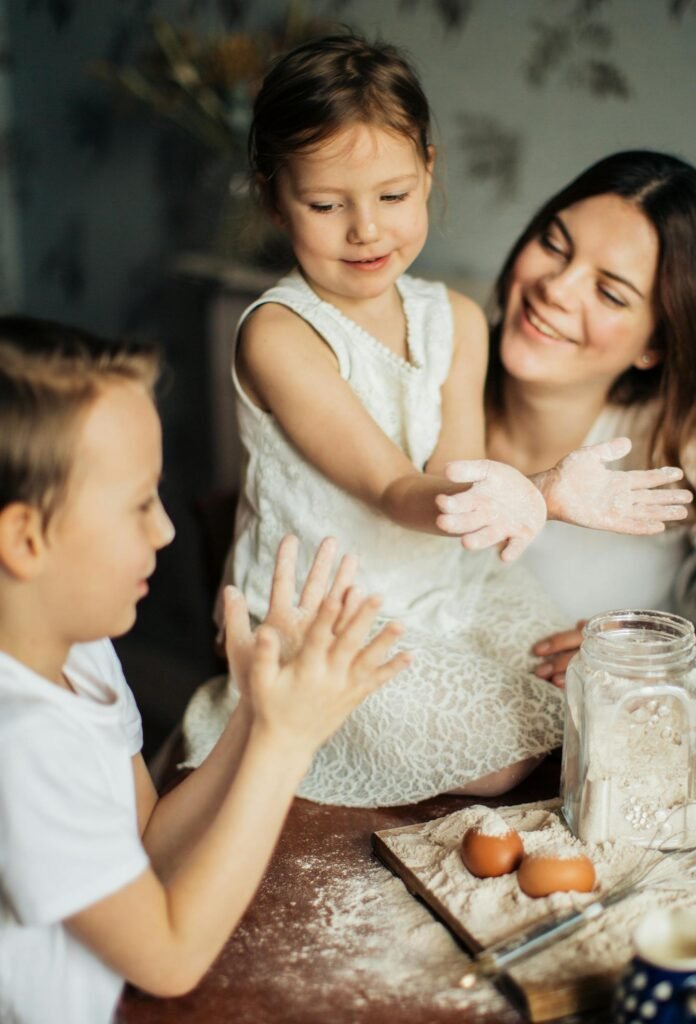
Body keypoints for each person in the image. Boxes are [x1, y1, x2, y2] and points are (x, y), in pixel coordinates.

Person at [180, 36, 691, 807]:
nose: (366, 231)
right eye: (325, 205)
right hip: (327, 613)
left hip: (447, 582)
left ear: (428, 168)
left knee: (578, 689)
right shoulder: (279, 333)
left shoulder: (455, 318)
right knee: (495, 755)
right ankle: (258, 708)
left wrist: (523, 493)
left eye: (392, 195)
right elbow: (392, 487)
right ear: (273, 196)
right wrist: (542, 493)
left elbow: (456, 483)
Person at [0, 315, 407, 1024]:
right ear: (25, 538)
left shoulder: (78, 652)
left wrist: (256, 710)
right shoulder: (20, 740)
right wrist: (287, 743)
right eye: (137, 504)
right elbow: (169, 957)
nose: (164, 529)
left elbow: (148, 846)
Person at [483, 150, 696, 740]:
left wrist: (658, 700)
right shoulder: (427, 361)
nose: (555, 289)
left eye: (610, 294)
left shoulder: (680, 453)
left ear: (656, 343)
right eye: (554, 244)